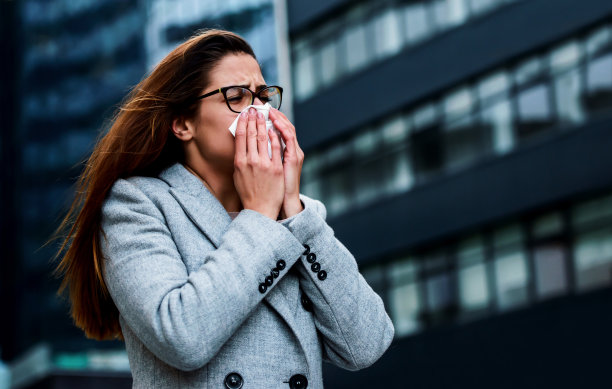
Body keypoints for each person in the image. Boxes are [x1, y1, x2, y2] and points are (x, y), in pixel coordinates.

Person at [54, 29, 394, 388]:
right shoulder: (137, 204)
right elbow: (181, 337)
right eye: (237, 97)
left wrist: (292, 210)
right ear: (184, 124)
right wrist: (261, 216)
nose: (259, 111)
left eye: (263, 96)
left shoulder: (293, 219)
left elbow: (366, 345)